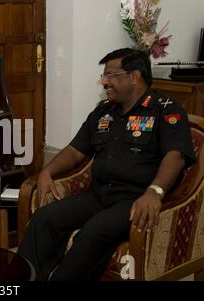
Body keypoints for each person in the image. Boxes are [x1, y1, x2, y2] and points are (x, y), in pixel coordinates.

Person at [17, 48, 196, 281]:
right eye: (103, 76)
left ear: (134, 76)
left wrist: (155, 191)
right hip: (98, 195)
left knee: (94, 231)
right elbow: (75, 150)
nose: (104, 82)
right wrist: (46, 172)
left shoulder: (165, 109)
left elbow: (176, 155)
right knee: (44, 219)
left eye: (111, 75)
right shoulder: (103, 112)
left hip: (134, 199)